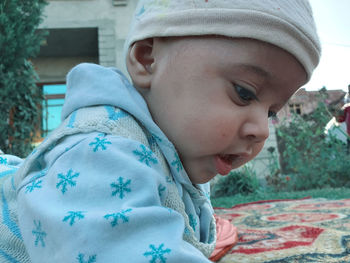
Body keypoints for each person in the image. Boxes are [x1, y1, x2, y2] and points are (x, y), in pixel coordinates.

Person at [1, 0, 321, 262]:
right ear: (147, 59)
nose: (262, 130)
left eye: (271, 112)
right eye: (244, 92)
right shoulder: (101, 151)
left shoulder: (175, 151)